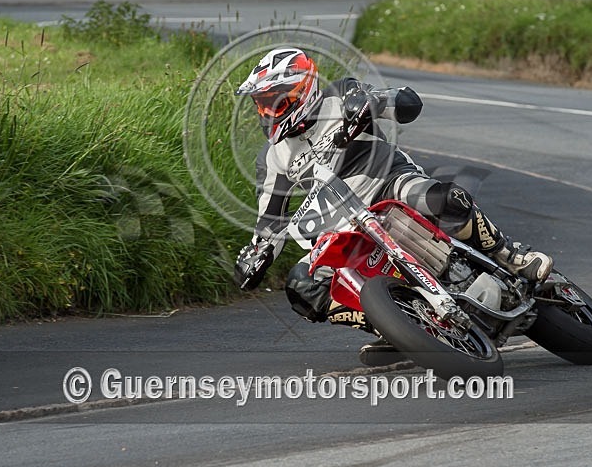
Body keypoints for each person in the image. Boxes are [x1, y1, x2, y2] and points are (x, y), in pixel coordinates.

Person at [233, 47, 552, 363]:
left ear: (304, 89)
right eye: (262, 105)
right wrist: (257, 254)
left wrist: (371, 102)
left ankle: (511, 258)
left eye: (278, 101)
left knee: (447, 199)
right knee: (302, 285)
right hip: (341, 223)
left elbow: (408, 102)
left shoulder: (341, 94)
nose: (269, 112)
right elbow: (270, 218)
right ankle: (397, 328)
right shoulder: (273, 157)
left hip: (389, 183)